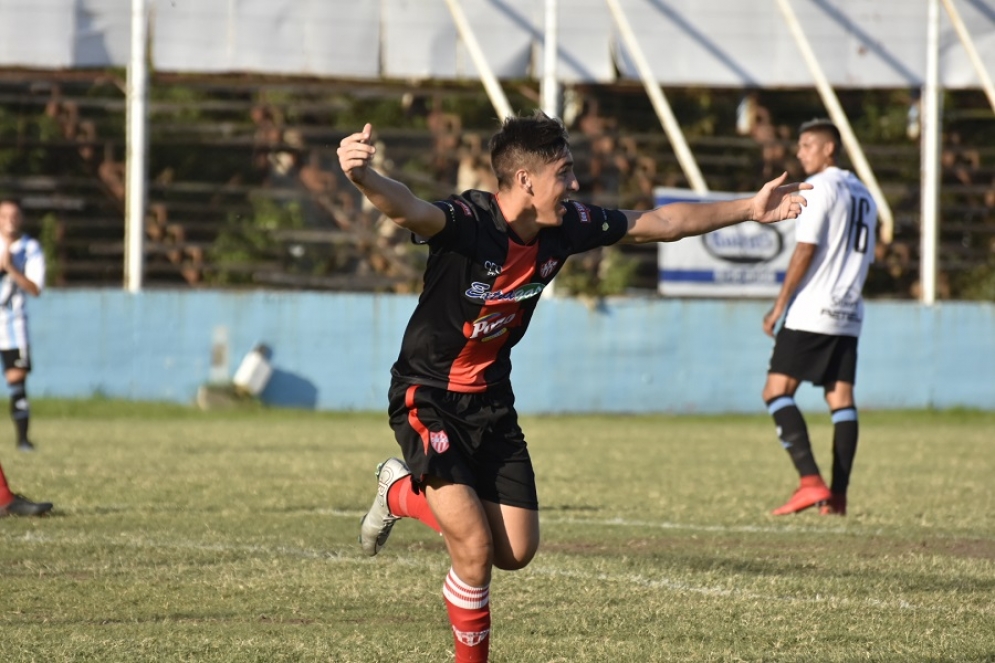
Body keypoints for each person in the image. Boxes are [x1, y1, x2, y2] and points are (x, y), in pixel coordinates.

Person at [337, 111, 811, 662]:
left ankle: (400, 490)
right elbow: (410, 209)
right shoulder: (469, 220)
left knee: (515, 550)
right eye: (564, 172)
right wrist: (365, 178)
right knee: (473, 548)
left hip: (491, 401)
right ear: (525, 181)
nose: (575, 184)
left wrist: (750, 209)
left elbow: (660, 222)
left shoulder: (566, 226)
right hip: (428, 396)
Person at [761, 119, 878, 517]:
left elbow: (804, 250)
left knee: (776, 391)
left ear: (830, 149)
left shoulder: (818, 188)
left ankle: (810, 483)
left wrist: (779, 305)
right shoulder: (865, 193)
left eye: (808, 144)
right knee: (841, 400)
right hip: (849, 311)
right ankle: (838, 498)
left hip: (813, 309)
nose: (800, 152)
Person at [0, 200, 46, 452]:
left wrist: (11, 269)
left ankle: (23, 441)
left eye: (14, 215)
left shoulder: (30, 248)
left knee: (17, 381)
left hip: (12, 326)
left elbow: (35, 288)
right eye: (4, 214)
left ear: (21, 218)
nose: (9, 219)